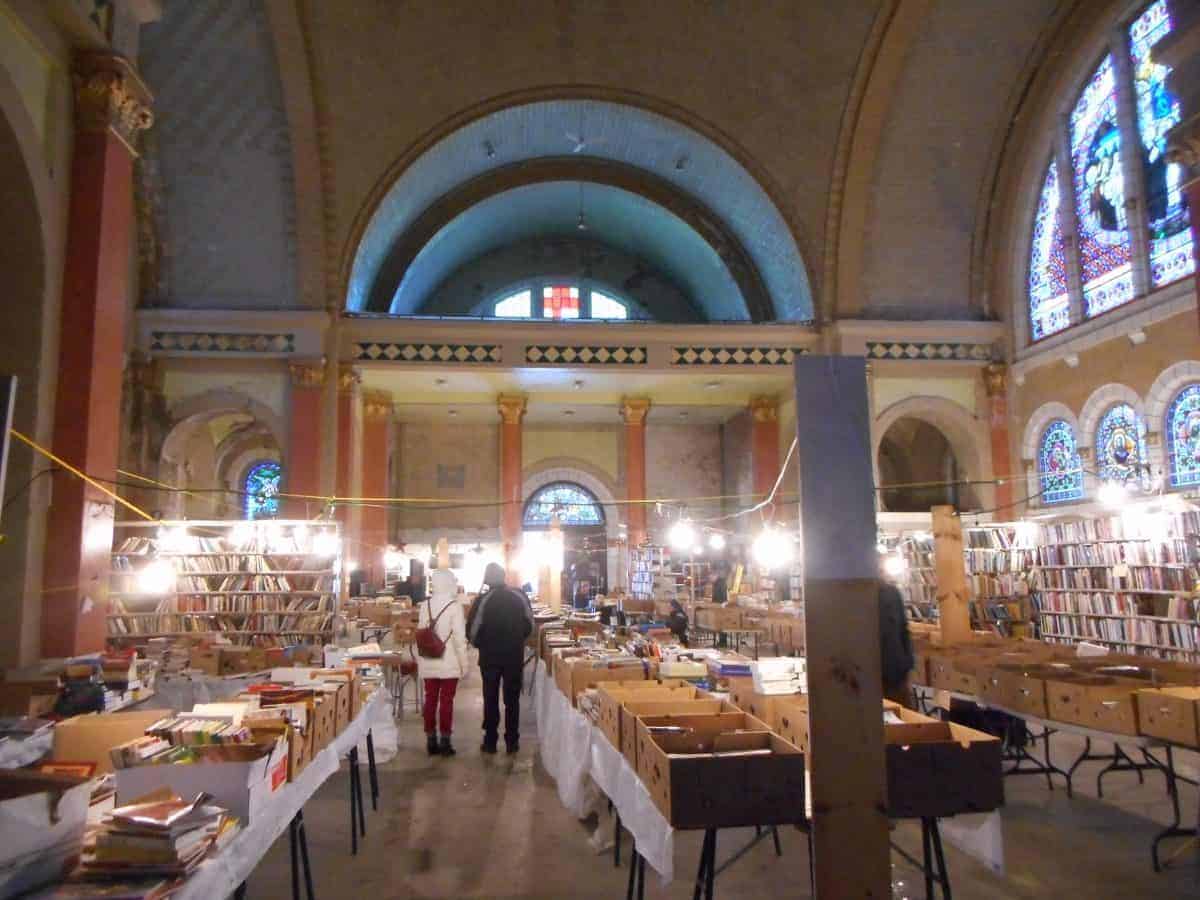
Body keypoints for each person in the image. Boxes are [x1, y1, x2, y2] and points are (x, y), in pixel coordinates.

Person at [468, 562, 533, 754]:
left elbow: (472, 631)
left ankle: (490, 742)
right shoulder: (519, 596)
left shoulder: (483, 600)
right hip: (513, 656)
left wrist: (482, 645)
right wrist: (517, 640)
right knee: (512, 699)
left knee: (490, 698)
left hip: (490, 658)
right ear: (503, 577)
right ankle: (512, 741)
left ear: (487, 579)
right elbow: (530, 624)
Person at [417, 568, 469, 756]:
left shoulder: (425, 605)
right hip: (449, 661)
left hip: (429, 659)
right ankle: (445, 741)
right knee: (446, 701)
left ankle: (430, 739)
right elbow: (459, 640)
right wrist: (464, 665)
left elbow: (421, 633)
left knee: (430, 699)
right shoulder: (454, 607)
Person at [878, 578, 915, 707]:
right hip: (871, 678)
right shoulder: (855, 598)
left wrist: (907, 664)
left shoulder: (892, 593)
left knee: (903, 719)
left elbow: (903, 629)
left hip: (897, 673)